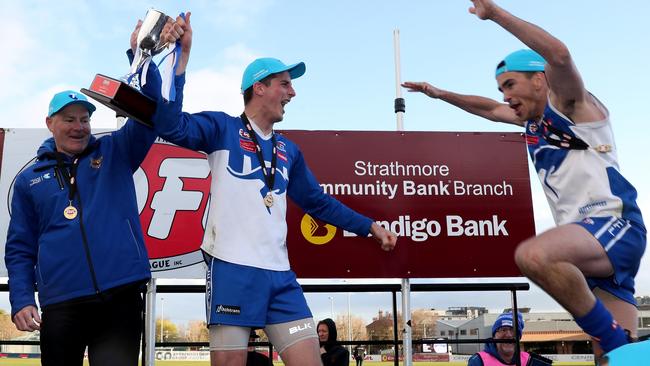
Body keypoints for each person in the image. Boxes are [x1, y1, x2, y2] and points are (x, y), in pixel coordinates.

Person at [148, 13, 397, 366]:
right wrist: (182, 59)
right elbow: (171, 125)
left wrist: (369, 226)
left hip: (281, 278)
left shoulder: (288, 151)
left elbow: (318, 203)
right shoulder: (221, 128)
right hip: (232, 269)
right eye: (285, 84)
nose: (292, 92)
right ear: (259, 86)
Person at [403, 0, 646, 361]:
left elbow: (560, 55)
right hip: (587, 249)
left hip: (613, 225)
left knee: (533, 255)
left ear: (539, 79)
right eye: (501, 88)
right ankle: (615, 344)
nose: (505, 96)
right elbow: (486, 108)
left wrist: (495, 14)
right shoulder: (531, 123)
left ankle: (610, 336)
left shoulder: (572, 106)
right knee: (618, 359)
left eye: (510, 84)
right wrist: (440, 94)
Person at [4, 88, 159, 365]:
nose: (79, 127)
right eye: (69, 119)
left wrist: (140, 59)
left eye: (84, 119)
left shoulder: (116, 150)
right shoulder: (29, 180)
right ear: (50, 123)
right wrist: (23, 299)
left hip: (119, 297)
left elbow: (147, 115)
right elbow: (20, 248)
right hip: (61, 303)